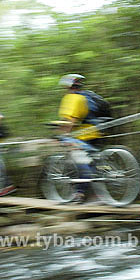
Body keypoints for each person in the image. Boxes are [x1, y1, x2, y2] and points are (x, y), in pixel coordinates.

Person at [57, 74, 102, 203]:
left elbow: (70, 120)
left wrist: (62, 135)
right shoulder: (87, 96)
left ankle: (80, 194)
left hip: (82, 135)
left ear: (68, 86)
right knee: (92, 163)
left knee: (81, 163)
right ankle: (98, 194)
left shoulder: (72, 98)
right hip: (96, 133)